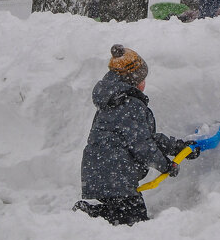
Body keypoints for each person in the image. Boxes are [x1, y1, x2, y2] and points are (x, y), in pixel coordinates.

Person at [75, 44, 196, 226]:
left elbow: (146, 138)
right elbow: (142, 145)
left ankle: (90, 215)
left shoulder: (110, 103)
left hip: (99, 171)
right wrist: (165, 166)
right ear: (133, 80)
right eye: (142, 78)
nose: (144, 83)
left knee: (119, 216)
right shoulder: (130, 105)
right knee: (135, 221)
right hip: (117, 175)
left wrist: (178, 147)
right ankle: (89, 214)